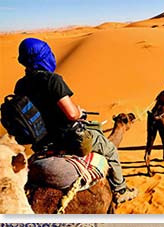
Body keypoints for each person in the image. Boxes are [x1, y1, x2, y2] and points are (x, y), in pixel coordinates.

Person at [14, 37, 137, 204]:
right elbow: (71, 114)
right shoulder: (52, 80)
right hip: (65, 140)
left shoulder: (20, 85)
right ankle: (120, 189)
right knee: (110, 149)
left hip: (40, 144)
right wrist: (79, 112)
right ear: (44, 56)